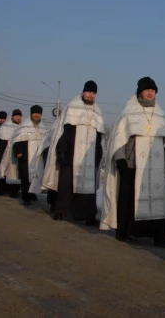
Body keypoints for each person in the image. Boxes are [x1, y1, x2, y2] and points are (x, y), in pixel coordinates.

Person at [100, 77, 165, 246]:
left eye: (153, 90)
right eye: (147, 90)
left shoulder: (161, 116)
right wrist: (120, 159)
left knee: (158, 199)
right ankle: (124, 231)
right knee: (128, 198)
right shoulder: (128, 112)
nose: (150, 93)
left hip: (156, 167)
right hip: (132, 164)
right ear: (140, 92)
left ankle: (159, 235)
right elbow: (118, 138)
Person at [42, 81, 105, 224]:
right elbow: (63, 132)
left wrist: (99, 152)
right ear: (83, 92)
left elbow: (100, 135)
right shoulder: (72, 108)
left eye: (93, 93)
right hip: (71, 155)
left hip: (89, 158)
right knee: (66, 186)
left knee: (89, 188)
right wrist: (61, 150)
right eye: (88, 92)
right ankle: (60, 211)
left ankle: (89, 215)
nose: (90, 95)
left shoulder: (97, 112)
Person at [0, 105, 48, 206]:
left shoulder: (43, 128)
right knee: (25, 178)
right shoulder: (24, 127)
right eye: (35, 114)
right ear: (31, 114)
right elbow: (17, 140)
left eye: (38, 114)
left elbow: (47, 142)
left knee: (36, 176)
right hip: (25, 156)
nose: (36, 116)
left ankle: (32, 194)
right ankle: (25, 197)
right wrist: (18, 152)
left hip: (38, 158)